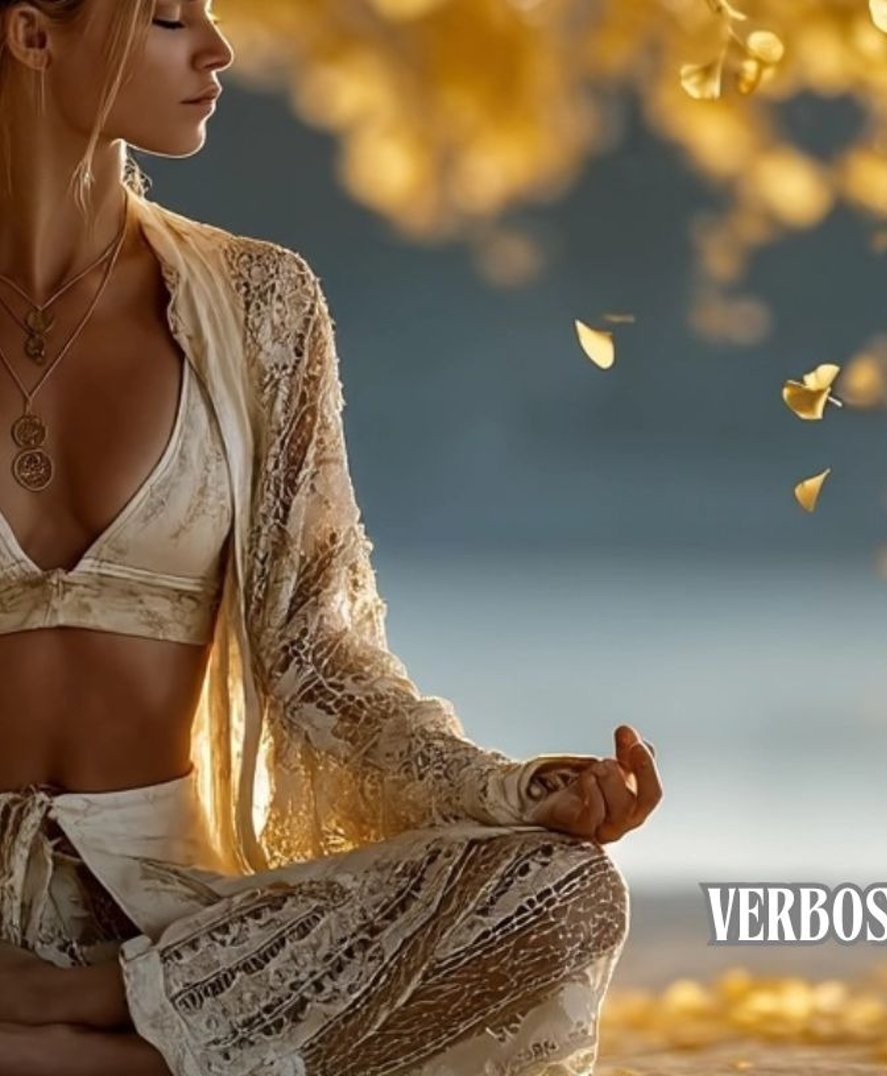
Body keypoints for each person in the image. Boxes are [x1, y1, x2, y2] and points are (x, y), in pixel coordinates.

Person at [0, 2, 664, 1073]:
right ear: (33, 35)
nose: (216, 50)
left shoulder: (260, 305)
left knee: (560, 892)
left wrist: (508, 790)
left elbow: (322, 664)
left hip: (176, 936)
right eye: (169, 17)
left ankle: (67, 1032)